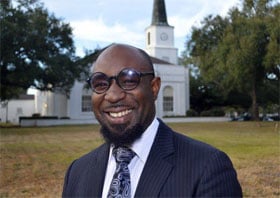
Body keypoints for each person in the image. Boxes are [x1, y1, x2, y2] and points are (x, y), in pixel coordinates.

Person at [62, 43, 242, 197]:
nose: (113, 95)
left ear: (154, 88)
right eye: (100, 84)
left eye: (129, 80)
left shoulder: (207, 167)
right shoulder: (77, 172)